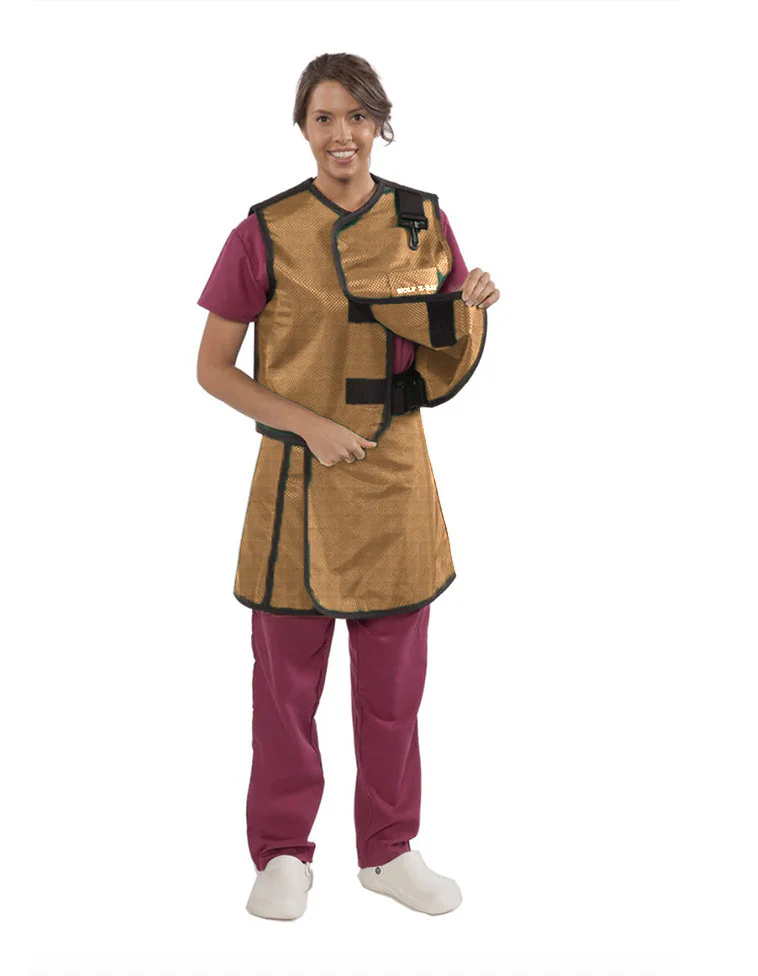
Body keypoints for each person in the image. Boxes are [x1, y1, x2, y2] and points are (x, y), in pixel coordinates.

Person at [196, 53, 500, 921]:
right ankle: (282, 854)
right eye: (325, 117)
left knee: (394, 693)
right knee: (284, 693)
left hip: (395, 479)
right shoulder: (263, 232)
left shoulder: (421, 220)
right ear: (302, 127)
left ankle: (389, 852)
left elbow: (444, 342)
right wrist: (309, 425)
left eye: (358, 117)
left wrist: (472, 306)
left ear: (380, 123)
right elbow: (214, 369)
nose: (342, 134)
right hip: (297, 484)